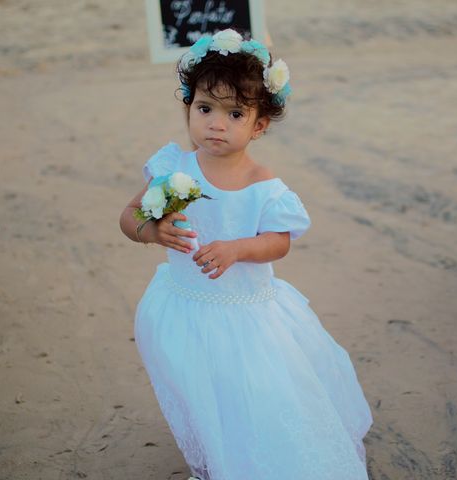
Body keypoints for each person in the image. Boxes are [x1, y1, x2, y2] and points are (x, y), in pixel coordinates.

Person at [119, 29, 373, 480]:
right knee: (204, 392)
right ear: (189, 108)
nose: (216, 123)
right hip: (183, 306)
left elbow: (280, 241)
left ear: (259, 125)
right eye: (205, 108)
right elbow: (129, 215)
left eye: (234, 113)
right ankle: (219, 458)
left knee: (257, 391)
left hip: (247, 317)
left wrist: (238, 248)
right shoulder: (173, 167)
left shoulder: (262, 183)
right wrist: (153, 230)